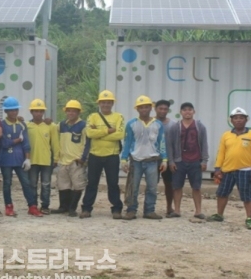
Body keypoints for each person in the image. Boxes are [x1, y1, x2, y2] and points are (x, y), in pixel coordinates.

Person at [209, 107, 251, 230]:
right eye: (235, 118)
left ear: (246, 120)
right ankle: (219, 215)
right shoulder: (226, 135)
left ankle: (249, 218)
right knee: (222, 193)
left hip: (245, 170)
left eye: (241, 118)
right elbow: (221, 152)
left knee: (247, 195)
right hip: (227, 170)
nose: (238, 120)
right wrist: (217, 168)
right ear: (231, 120)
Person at [80, 90, 125, 219]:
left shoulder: (118, 117)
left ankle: (116, 209)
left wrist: (99, 134)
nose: (106, 104)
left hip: (112, 155)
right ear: (99, 103)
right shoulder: (92, 116)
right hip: (95, 155)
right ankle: (86, 209)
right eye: (103, 102)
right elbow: (89, 134)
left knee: (113, 183)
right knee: (92, 183)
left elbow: (120, 135)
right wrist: (108, 130)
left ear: (112, 103)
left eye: (108, 102)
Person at [120, 95, 167, 221]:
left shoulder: (158, 124)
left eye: (146, 107)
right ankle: (131, 210)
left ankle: (149, 210)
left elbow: (162, 142)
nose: (144, 109)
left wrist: (165, 159)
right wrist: (124, 159)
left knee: (152, 187)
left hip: (152, 161)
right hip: (136, 161)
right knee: (133, 187)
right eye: (141, 107)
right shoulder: (131, 124)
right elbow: (127, 142)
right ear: (137, 109)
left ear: (151, 108)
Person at [0, 97, 43, 217]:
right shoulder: (1, 125)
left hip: (20, 160)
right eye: (11, 110)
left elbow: (26, 143)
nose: (14, 112)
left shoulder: (22, 125)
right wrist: (18, 139)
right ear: (6, 111)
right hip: (5, 160)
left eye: (16, 110)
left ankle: (32, 206)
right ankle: (8, 207)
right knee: (7, 183)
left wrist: (27, 158)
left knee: (26, 183)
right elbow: (4, 143)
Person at [166, 102, 209, 219]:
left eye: (190, 110)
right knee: (177, 186)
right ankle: (177, 210)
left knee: (196, 187)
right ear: (180, 112)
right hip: (179, 161)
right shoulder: (175, 127)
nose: (187, 112)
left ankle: (198, 211)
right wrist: (171, 161)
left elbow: (204, 144)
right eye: (184, 110)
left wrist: (204, 160)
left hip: (196, 161)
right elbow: (169, 145)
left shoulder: (200, 127)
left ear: (194, 112)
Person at [52, 100, 90, 217]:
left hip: (76, 161)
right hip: (63, 160)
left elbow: (88, 143)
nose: (71, 113)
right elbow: (51, 128)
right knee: (63, 185)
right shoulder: (62, 125)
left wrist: (83, 158)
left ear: (79, 112)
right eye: (69, 111)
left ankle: (72, 208)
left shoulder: (83, 126)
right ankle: (63, 207)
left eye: (74, 111)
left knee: (77, 185)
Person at [27, 99, 60, 215]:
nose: (38, 114)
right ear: (31, 112)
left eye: (41, 111)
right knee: (32, 184)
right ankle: (33, 205)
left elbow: (55, 143)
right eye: (36, 111)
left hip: (46, 160)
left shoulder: (50, 126)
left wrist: (56, 158)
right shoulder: (27, 125)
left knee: (46, 184)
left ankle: (45, 205)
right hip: (32, 160)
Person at [154, 100, 177, 216]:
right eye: (160, 108)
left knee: (169, 184)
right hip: (152, 159)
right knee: (152, 184)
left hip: (167, 160)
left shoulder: (173, 124)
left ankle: (169, 207)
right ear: (155, 109)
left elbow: (175, 143)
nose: (163, 111)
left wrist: (173, 160)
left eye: (165, 109)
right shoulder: (150, 122)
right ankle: (150, 208)